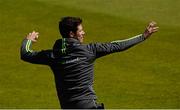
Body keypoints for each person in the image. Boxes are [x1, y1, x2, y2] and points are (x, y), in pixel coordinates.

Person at [20, 16, 159, 109]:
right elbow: (117, 45)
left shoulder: (53, 55)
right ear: (71, 34)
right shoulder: (89, 50)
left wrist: (29, 40)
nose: (84, 33)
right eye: (80, 30)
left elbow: (26, 54)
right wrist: (143, 36)